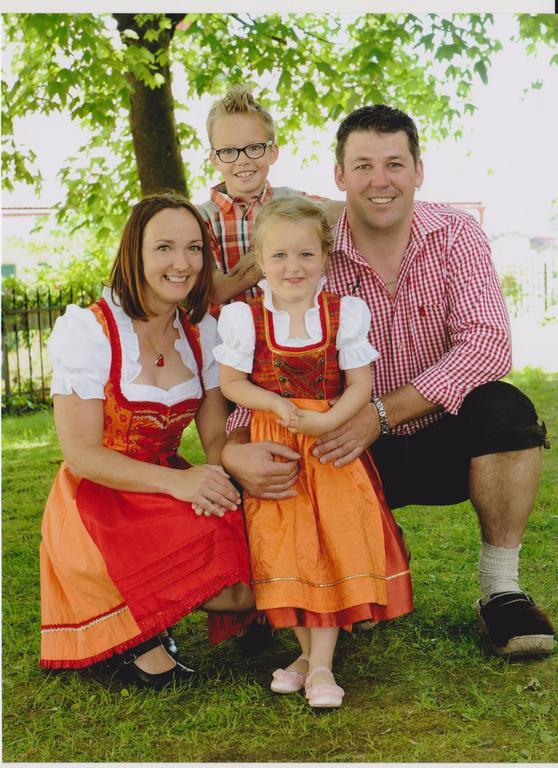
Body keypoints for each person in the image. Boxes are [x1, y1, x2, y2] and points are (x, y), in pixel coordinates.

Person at [221, 104, 555, 659]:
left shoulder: (456, 234)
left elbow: (489, 343)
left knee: (507, 411)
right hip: (338, 452)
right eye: (363, 165)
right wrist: (235, 450)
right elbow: (266, 358)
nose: (380, 181)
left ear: (418, 170)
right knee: (284, 453)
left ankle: (501, 591)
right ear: (339, 175)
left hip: (433, 433)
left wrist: (379, 414)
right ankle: (347, 587)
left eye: (395, 164)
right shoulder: (313, 250)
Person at [40, 193, 257, 689]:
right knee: (225, 593)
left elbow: (216, 439)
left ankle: (147, 618)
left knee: (248, 585)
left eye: (194, 249)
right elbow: (80, 454)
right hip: (99, 499)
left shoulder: (201, 330)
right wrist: (179, 486)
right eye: (164, 248)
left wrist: (241, 467)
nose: (182, 264)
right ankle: (122, 624)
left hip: (169, 482)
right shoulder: (89, 331)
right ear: (134, 252)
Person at [213, 196, 413, 708]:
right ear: (259, 259)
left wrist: (325, 419)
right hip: (276, 447)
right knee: (290, 551)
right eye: (278, 256)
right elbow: (232, 383)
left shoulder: (343, 312)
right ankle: (308, 658)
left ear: (324, 256)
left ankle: (319, 665)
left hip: (329, 448)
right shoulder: (243, 318)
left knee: (332, 548)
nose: (291, 267)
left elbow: (360, 384)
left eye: (304, 255)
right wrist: (276, 405)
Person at [199, 85, 344, 306]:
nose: (242, 160)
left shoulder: (291, 203)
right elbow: (215, 290)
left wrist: (313, 217)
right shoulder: (202, 218)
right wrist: (265, 259)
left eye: (254, 147)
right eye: (228, 151)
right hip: (231, 337)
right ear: (215, 160)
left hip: (291, 334)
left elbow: (346, 210)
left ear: (272, 152)